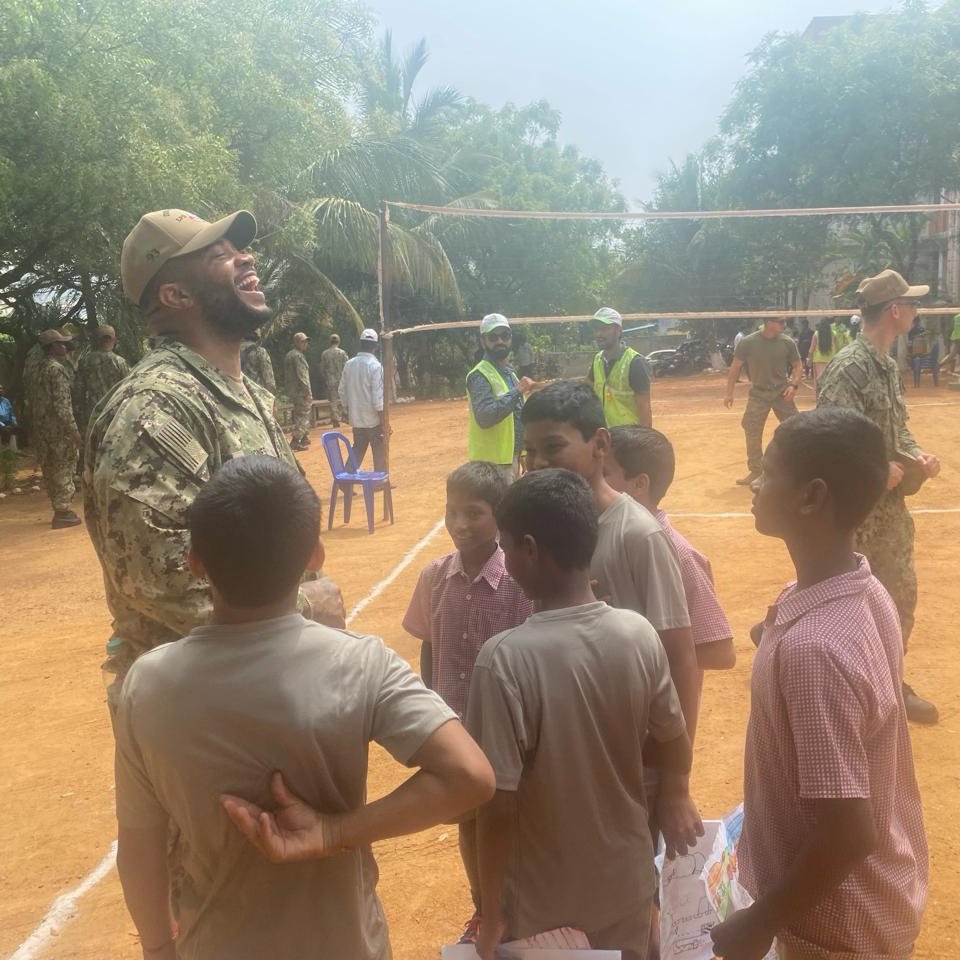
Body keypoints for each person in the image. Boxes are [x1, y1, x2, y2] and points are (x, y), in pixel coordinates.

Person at [114, 455, 495, 960]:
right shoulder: (360, 662)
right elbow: (470, 776)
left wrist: (160, 949)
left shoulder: (149, 683)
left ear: (195, 560)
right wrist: (334, 830)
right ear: (314, 555)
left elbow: (139, 847)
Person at [711, 409, 927, 960]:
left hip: (835, 930)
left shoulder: (815, 652)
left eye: (768, 471)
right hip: (876, 900)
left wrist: (759, 923)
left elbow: (848, 834)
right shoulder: (862, 586)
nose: (757, 484)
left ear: (811, 497)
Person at [466, 468, 702, 960]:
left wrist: (491, 909)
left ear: (529, 549)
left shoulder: (503, 659)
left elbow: (497, 806)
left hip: (544, 901)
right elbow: (672, 739)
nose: (505, 561)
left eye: (506, 548)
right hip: (626, 881)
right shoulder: (638, 634)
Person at [84, 207, 302, 700]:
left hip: (260, 678)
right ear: (175, 295)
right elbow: (157, 575)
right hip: (200, 708)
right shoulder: (155, 407)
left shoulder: (237, 392)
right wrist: (306, 610)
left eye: (242, 250)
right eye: (221, 256)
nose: (247, 258)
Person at [520, 383, 700, 823]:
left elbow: (679, 660)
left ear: (600, 444)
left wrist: (675, 784)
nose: (539, 462)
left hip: (633, 763)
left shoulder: (638, 536)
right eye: (529, 451)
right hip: (568, 756)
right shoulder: (542, 534)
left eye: (553, 447)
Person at [402, 461, 534, 943]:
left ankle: (516, 912)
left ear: (499, 516)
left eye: (474, 513)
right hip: (455, 727)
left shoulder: (520, 582)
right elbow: (428, 647)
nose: (460, 524)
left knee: (510, 820)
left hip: (506, 730)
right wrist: (430, 717)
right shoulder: (434, 577)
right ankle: (483, 909)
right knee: (467, 822)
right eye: (452, 511)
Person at [817, 268, 941, 725]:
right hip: (858, 513)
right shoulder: (848, 367)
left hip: (889, 512)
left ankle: (889, 684)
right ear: (894, 310)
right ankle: (845, 691)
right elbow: (830, 439)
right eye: (912, 304)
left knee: (899, 594)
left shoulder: (887, 365)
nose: (916, 310)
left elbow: (895, 428)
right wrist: (875, 470)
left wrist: (915, 455)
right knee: (843, 602)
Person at [606, 425, 736, 677]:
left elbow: (719, 652)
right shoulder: (606, 539)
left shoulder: (680, 555)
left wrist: (631, 647)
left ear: (639, 484)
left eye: (604, 473)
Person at [724, 315, 802, 486]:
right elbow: (735, 366)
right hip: (759, 393)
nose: (784, 325)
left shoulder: (787, 342)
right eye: (781, 322)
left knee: (796, 429)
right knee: (751, 428)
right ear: (768, 323)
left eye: (784, 321)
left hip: (782, 392)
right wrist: (729, 392)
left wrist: (793, 385)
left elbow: (798, 365)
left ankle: (796, 468)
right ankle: (756, 471)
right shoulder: (748, 342)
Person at [466, 313, 535, 483]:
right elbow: (485, 416)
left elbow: (517, 414)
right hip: (491, 465)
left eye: (505, 336)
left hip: (510, 458)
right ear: (483, 341)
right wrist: (517, 391)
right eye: (493, 337)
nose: (500, 341)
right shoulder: (479, 375)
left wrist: (523, 452)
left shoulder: (510, 373)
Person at [30, 328, 82, 528]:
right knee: (63, 465)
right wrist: (74, 432)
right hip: (58, 429)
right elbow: (62, 406)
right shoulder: (56, 370)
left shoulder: (36, 370)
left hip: (42, 428)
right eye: (63, 344)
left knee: (50, 467)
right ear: (53, 347)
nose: (66, 347)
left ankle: (58, 507)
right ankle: (63, 511)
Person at [585, 306, 652, 427]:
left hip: (628, 439)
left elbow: (644, 409)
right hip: (604, 436)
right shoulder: (598, 359)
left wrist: (643, 443)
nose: (598, 334)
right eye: (596, 329)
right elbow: (585, 390)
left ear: (618, 331)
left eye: (604, 329)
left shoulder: (635, 363)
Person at [339, 328, 387, 472]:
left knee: (358, 448)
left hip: (357, 419)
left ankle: (346, 480)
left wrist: (348, 409)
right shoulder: (375, 366)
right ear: (375, 346)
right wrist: (384, 422)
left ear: (360, 343)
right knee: (379, 449)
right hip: (373, 419)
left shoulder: (349, 364)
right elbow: (378, 399)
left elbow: (341, 390)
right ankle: (380, 481)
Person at [73, 324, 131, 433]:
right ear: (114, 339)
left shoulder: (85, 362)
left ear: (96, 340)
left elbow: (78, 392)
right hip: (115, 415)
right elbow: (130, 390)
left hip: (92, 415)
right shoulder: (120, 362)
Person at [284, 331, 313, 451]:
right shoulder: (298, 356)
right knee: (303, 414)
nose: (305, 343)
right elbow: (302, 376)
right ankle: (296, 441)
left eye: (306, 341)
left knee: (299, 414)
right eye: (303, 341)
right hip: (301, 391)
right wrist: (308, 392)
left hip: (293, 390)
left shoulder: (289, 355)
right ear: (296, 342)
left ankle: (304, 436)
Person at [320, 332, 348, 427]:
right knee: (344, 398)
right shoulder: (342, 353)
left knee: (333, 401)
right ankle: (345, 415)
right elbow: (346, 366)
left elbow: (322, 368)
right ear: (338, 341)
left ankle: (335, 420)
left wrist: (326, 378)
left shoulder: (325, 353)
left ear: (330, 342)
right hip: (342, 380)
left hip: (330, 380)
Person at [240, 327, 277, 396]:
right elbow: (269, 380)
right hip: (256, 395)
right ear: (257, 335)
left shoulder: (234, 350)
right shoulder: (260, 351)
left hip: (239, 394)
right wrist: (271, 399)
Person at [907, 314, 937, 388]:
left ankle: (916, 377)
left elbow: (910, 344)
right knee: (914, 361)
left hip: (919, 354)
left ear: (913, 322)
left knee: (913, 362)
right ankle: (915, 373)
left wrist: (910, 353)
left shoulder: (913, 331)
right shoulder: (921, 330)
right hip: (922, 354)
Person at [0, 383, 25, 451]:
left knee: (20, 430)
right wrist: (3, 425)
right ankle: (6, 450)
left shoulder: (6, 401)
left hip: (8, 422)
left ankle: (19, 449)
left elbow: (12, 414)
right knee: (6, 431)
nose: (0, 390)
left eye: (1, 389)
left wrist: (14, 422)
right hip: (1, 424)